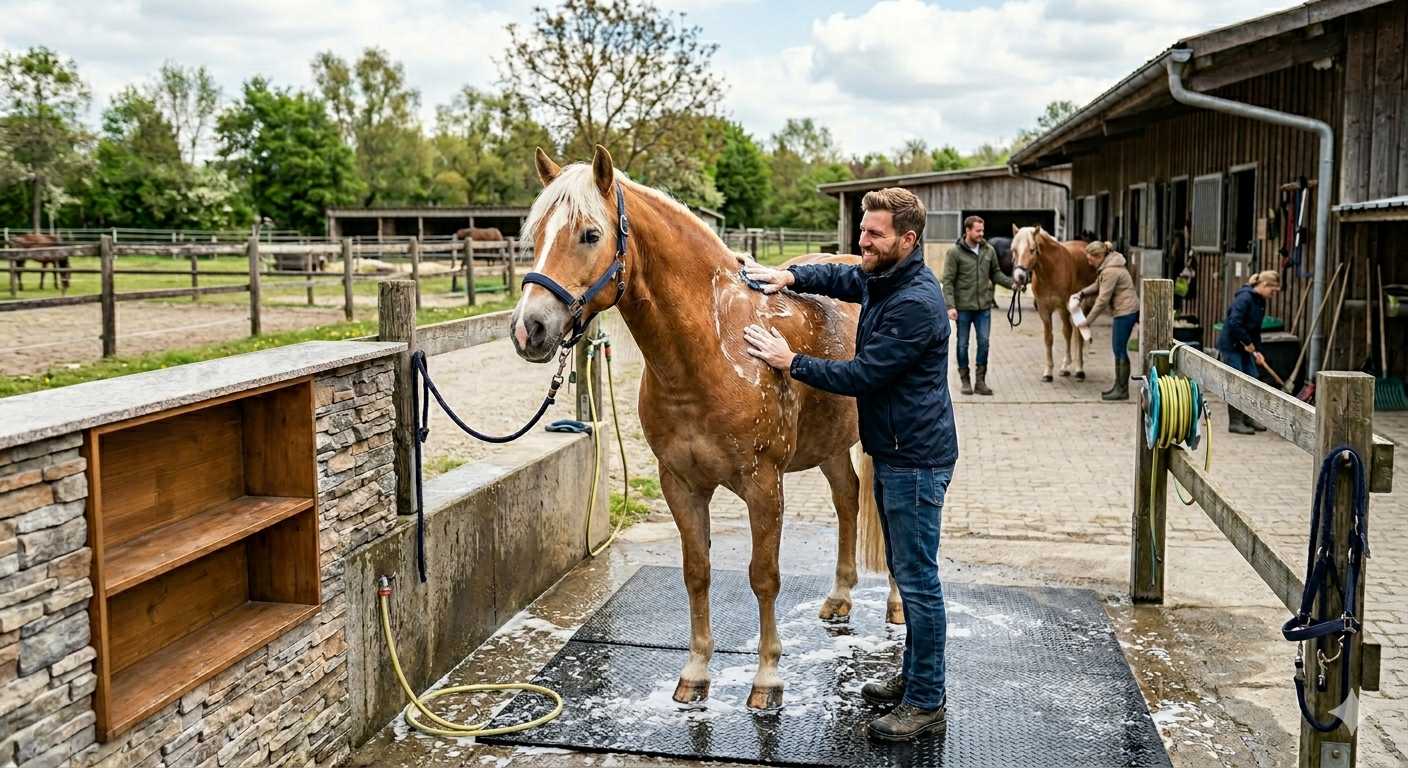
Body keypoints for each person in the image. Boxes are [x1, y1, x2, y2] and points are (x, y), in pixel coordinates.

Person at [740, 187, 956, 742]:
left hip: (915, 460)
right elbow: (844, 279)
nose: (863, 241)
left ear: (907, 240)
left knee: (918, 581)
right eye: (863, 231)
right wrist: (790, 276)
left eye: (874, 234)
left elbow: (861, 377)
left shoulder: (916, 305)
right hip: (897, 449)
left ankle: (927, 699)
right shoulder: (888, 276)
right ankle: (914, 678)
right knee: (912, 574)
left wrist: (792, 362)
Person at [942, 216, 1013, 396]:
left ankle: (980, 382)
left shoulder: (988, 250)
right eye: (978, 230)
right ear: (967, 231)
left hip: (983, 308)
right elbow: (948, 281)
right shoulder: (955, 253)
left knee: (984, 343)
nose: (982, 234)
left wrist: (1012, 284)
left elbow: (996, 273)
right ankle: (965, 380)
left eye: (982, 230)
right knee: (962, 345)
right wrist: (950, 306)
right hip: (963, 308)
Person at [1071, 241, 1140, 400]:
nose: (1089, 263)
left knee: (1119, 349)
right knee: (1118, 349)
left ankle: (1122, 390)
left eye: (1090, 260)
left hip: (1125, 312)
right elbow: (1097, 285)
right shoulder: (1109, 266)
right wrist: (1081, 293)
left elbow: (1102, 300)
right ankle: (1119, 386)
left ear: (1099, 256)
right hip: (1124, 310)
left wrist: (1087, 321)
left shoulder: (1110, 271)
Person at [1218, 270, 1281, 434]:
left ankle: (1248, 417)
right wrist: (1246, 342)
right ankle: (1236, 422)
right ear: (1264, 285)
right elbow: (1233, 322)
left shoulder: (1260, 302)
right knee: (1237, 381)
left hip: (1245, 346)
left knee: (1252, 378)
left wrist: (1257, 350)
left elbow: (1255, 329)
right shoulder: (1244, 298)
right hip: (1232, 345)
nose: (1273, 294)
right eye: (1272, 291)